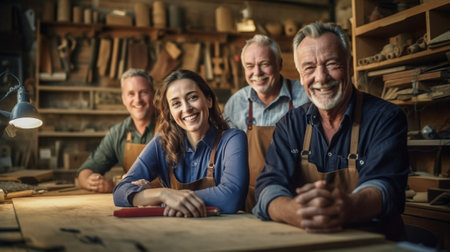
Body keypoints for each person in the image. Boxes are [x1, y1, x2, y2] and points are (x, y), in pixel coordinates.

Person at [253, 22, 409, 241]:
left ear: (350, 66)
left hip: (375, 243)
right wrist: (294, 211)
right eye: (309, 68)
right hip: (311, 243)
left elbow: (386, 188)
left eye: (332, 64)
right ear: (300, 76)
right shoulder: (290, 124)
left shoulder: (385, 118)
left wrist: (349, 207)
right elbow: (269, 186)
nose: (321, 77)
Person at [113, 69, 249, 216]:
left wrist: (163, 200)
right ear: (170, 112)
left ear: (208, 100)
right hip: (174, 232)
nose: (187, 108)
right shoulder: (161, 143)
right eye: (176, 103)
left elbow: (232, 197)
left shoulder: (232, 139)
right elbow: (120, 192)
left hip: (225, 233)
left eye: (192, 97)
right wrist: (162, 194)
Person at [223, 34, 309, 211]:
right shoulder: (235, 104)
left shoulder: (306, 97)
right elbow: (227, 159)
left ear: (279, 64)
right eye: (250, 66)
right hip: (249, 201)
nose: (257, 73)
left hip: (299, 197)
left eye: (264, 64)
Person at [76, 68, 156, 193]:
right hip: (133, 202)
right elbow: (85, 171)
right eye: (131, 94)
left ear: (153, 95)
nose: (138, 100)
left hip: (168, 203)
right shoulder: (118, 133)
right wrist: (90, 181)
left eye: (144, 92)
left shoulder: (168, 127)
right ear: (123, 99)